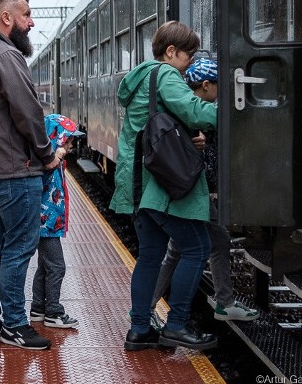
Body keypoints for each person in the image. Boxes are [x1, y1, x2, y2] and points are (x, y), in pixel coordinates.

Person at [110, 21, 218, 352]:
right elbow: (193, 109)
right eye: (188, 56)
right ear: (171, 52)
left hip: (140, 182)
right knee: (197, 248)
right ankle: (177, 326)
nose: (189, 65)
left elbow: (162, 122)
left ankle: (140, 329)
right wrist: (235, 108)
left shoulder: (142, 77)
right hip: (163, 183)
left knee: (150, 256)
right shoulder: (167, 74)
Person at [0, 0, 60, 350]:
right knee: (20, 247)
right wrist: (47, 153)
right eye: (26, 15)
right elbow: (28, 112)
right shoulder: (6, 55)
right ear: (7, 18)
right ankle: (16, 325)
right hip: (14, 169)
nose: (31, 22)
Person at [150, 58, 259, 323]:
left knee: (177, 249)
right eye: (219, 87)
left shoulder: (192, 110)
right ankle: (223, 303)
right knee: (216, 241)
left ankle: (147, 306)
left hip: (191, 190)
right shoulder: (198, 114)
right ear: (207, 85)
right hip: (194, 191)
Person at [29, 114, 83, 330]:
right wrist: (55, 157)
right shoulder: (46, 162)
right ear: (56, 139)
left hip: (49, 222)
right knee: (57, 266)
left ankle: (38, 309)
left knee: (45, 266)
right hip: (45, 223)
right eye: (67, 141)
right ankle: (53, 311)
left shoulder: (54, 161)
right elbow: (39, 181)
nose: (70, 146)